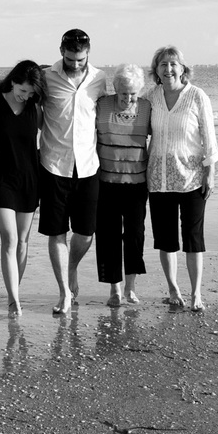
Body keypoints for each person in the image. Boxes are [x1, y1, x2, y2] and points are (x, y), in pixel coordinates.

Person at [146, 46, 218, 312]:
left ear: (182, 68)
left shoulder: (197, 96)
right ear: (155, 70)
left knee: (193, 238)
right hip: (158, 179)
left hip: (191, 179)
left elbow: (208, 135)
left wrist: (210, 170)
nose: (168, 69)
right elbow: (134, 123)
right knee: (165, 239)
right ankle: (173, 288)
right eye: (163, 64)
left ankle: (196, 293)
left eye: (173, 64)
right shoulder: (150, 97)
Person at [38, 29, 108, 315]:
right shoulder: (46, 78)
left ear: (88, 53)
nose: (75, 64)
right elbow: (25, 105)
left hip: (89, 166)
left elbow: (106, 115)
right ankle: (64, 292)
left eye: (80, 59)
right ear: (61, 51)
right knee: (56, 233)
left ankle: (72, 268)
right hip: (54, 165)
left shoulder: (100, 79)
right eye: (70, 58)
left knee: (86, 233)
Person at [0, 60, 47, 316]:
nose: (26, 95)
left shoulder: (35, 107)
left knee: (23, 241)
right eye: (23, 90)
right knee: (9, 239)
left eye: (31, 92)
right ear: (13, 80)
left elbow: (54, 134)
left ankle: (13, 292)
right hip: (0, 178)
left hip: (29, 177)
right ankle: (13, 302)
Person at [95, 64, 152, 307]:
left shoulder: (147, 107)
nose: (128, 99)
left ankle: (130, 288)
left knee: (135, 236)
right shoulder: (102, 105)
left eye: (132, 94)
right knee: (108, 237)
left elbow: (162, 134)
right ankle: (114, 290)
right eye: (123, 93)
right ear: (115, 89)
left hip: (137, 184)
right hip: (105, 183)